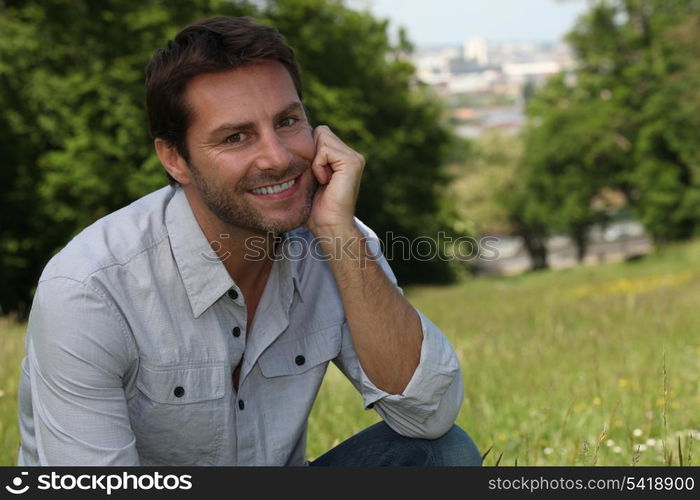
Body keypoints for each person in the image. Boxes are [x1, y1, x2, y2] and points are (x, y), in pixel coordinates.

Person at [17, 16, 481, 466]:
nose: (277, 158)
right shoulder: (89, 289)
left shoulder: (336, 240)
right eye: (236, 137)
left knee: (441, 454)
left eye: (287, 122)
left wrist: (340, 236)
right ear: (175, 159)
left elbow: (428, 415)